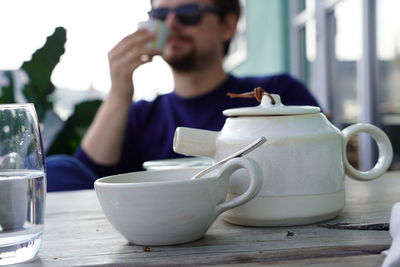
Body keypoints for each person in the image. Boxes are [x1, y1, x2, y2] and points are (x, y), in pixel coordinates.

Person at [46, 0, 320, 191]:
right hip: (158, 237)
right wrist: (119, 92)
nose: (172, 25)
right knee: (57, 169)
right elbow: (80, 182)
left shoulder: (277, 92)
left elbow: (317, 163)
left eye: (190, 13)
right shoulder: (141, 115)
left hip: (248, 222)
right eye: (160, 17)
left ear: (227, 25)